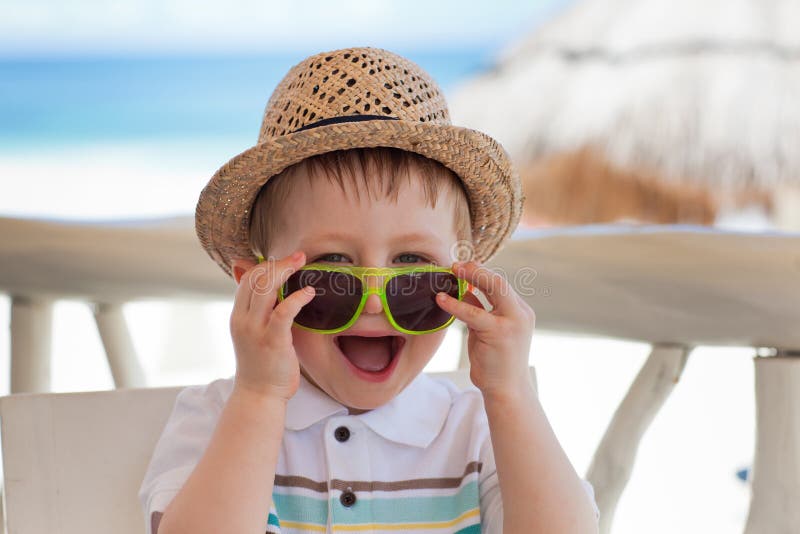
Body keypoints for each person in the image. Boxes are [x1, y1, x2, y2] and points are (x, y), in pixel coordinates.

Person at [138, 46, 600, 534]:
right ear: (258, 287)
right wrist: (258, 396)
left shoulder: (479, 428)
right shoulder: (215, 419)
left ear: (464, 285)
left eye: (412, 264)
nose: (375, 301)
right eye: (332, 265)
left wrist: (510, 395)